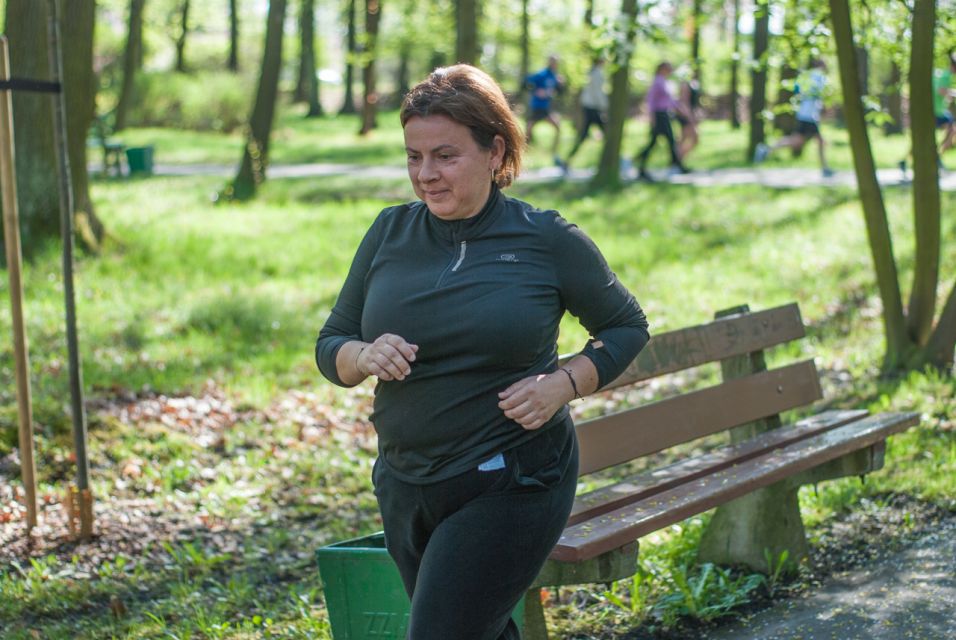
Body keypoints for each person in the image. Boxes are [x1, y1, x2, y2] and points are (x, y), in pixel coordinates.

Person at [315, 64, 650, 640]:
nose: (426, 175)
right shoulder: (389, 232)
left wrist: (563, 384)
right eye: (413, 157)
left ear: (495, 152)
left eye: (445, 156)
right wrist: (364, 355)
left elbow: (626, 326)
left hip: (514, 479)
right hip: (405, 481)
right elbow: (332, 344)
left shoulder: (545, 240)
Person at [754, 58, 834, 178]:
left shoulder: (806, 76)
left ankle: (766, 149)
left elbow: (797, 91)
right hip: (809, 116)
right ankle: (825, 169)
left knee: (797, 141)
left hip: (804, 114)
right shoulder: (820, 77)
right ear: (821, 65)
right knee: (818, 141)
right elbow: (822, 96)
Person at [899, 51, 955, 176]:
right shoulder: (945, 76)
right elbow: (941, 90)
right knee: (951, 130)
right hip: (936, 112)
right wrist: (952, 93)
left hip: (935, 111)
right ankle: (936, 156)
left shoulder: (941, 74)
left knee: (924, 139)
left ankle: (905, 161)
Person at [634, 61, 692, 182]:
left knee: (657, 142)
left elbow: (669, 101)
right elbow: (650, 100)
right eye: (668, 68)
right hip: (659, 115)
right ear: (662, 69)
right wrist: (652, 117)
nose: (670, 71)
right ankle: (677, 165)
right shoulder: (658, 82)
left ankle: (641, 163)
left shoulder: (665, 82)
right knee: (669, 140)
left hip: (665, 114)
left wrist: (679, 109)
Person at [562, 57, 608, 174]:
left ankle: (567, 160)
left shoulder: (593, 72)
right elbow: (597, 92)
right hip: (593, 108)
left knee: (585, 135)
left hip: (590, 107)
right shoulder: (597, 73)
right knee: (605, 131)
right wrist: (603, 106)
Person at [525, 55, 566, 167]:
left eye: (556, 62)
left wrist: (560, 85)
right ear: (549, 62)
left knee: (557, 127)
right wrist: (536, 91)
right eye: (553, 62)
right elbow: (527, 82)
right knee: (528, 131)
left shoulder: (555, 76)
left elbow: (558, 91)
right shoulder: (541, 74)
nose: (554, 64)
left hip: (546, 108)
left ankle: (554, 153)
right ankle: (522, 154)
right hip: (537, 107)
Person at [676, 67, 702, 163]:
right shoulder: (684, 85)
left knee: (684, 139)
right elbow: (684, 102)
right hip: (686, 116)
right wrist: (690, 117)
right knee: (692, 138)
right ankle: (678, 161)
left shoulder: (692, 83)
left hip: (690, 114)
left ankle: (678, 161)